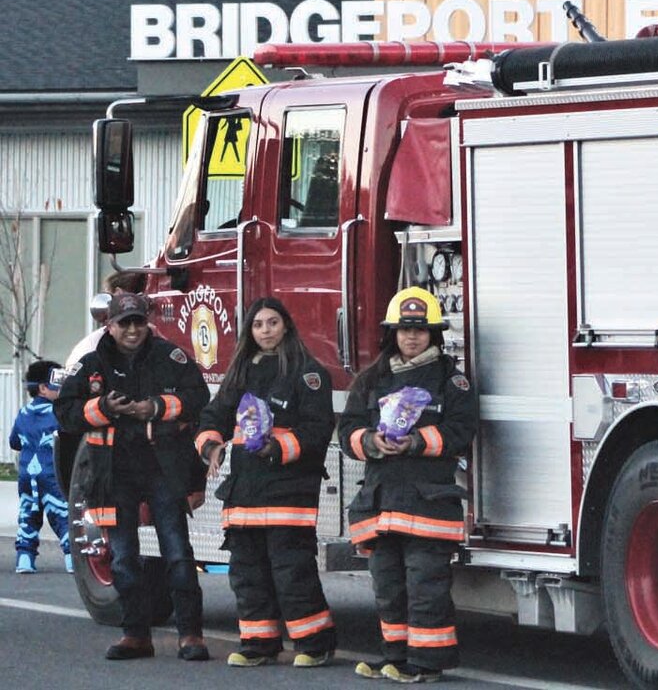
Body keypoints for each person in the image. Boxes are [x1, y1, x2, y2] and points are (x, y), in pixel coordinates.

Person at [54, 292, 211, 662]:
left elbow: (198, 396)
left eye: (138, 322)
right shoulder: (91, 364)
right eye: (124, 323)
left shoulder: (171, 357)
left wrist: (155, 407)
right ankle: (136, 635)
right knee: (123, 557)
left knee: (177, 553)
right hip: (112, 473)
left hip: (162, 469)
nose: (132, 330)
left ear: (147, 323)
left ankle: (191, 635)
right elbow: (64, 412)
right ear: (109, 325)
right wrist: (103, 407)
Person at [338, 287, 477, 682]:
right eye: (403, 329)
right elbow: (347, 429)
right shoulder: (374, 379)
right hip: (382, 504)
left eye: (420, 330)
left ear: (434, 334)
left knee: (425, 587)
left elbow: (462, 431)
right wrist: (370, 442)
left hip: (429, 504)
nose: (411, 337)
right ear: (392, 333)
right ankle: (395, 657)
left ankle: (427, 662)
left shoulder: (451, 381)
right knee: (388, 587)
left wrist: (417, 441)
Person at [194, 297, 338, 668]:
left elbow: (317, 429)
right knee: (247, 572)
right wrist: (210, 445)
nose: (266, 331)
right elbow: (215, 414)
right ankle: (259, 643)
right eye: (258, 325)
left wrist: (278, 448)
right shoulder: (241, 372)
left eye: (272, 323)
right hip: (244, 491)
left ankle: (315, 643)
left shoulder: (308, 373)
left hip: (288, 489)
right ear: (250, 332)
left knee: (292, 572)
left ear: (286, 326)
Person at [10, 360, 71, 574]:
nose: (64, 387)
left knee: (28, 515)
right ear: (44, 388)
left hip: (27, 474)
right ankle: (72, 558)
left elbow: (14, 442)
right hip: (51, 473)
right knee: (63, 515)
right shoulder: (59, 412)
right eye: (59, 382)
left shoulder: (23, 413)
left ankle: (24, 559)